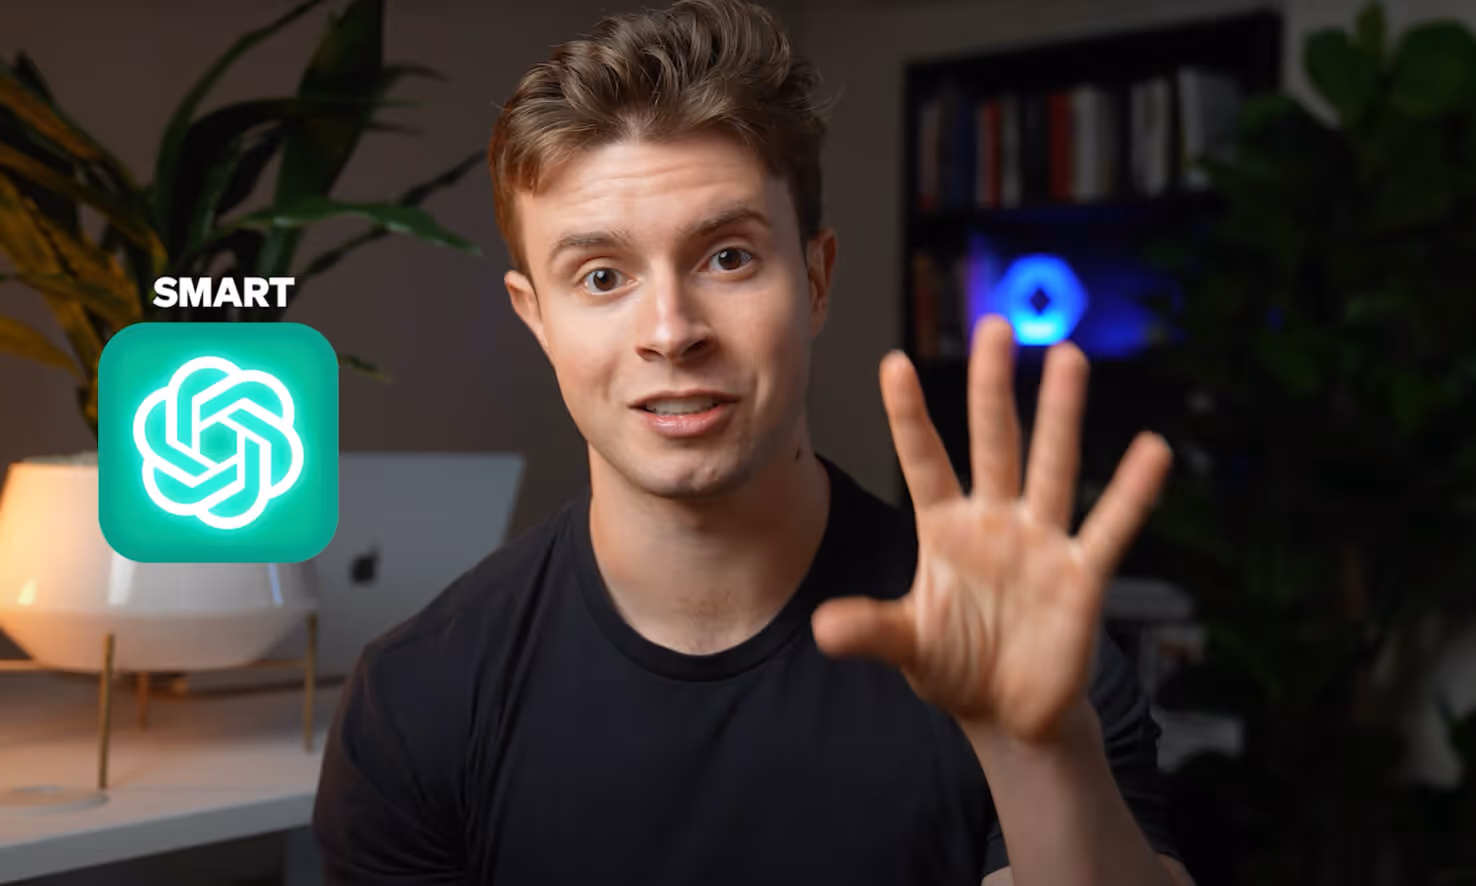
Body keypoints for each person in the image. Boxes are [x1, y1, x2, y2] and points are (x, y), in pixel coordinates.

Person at [312, 1, 1193, 883]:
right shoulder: (416, 701)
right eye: (602, 276)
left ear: (814, 280)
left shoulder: (1008, 652)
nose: (671, 330)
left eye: (727, 257)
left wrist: (1036, 753)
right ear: (535, 317)